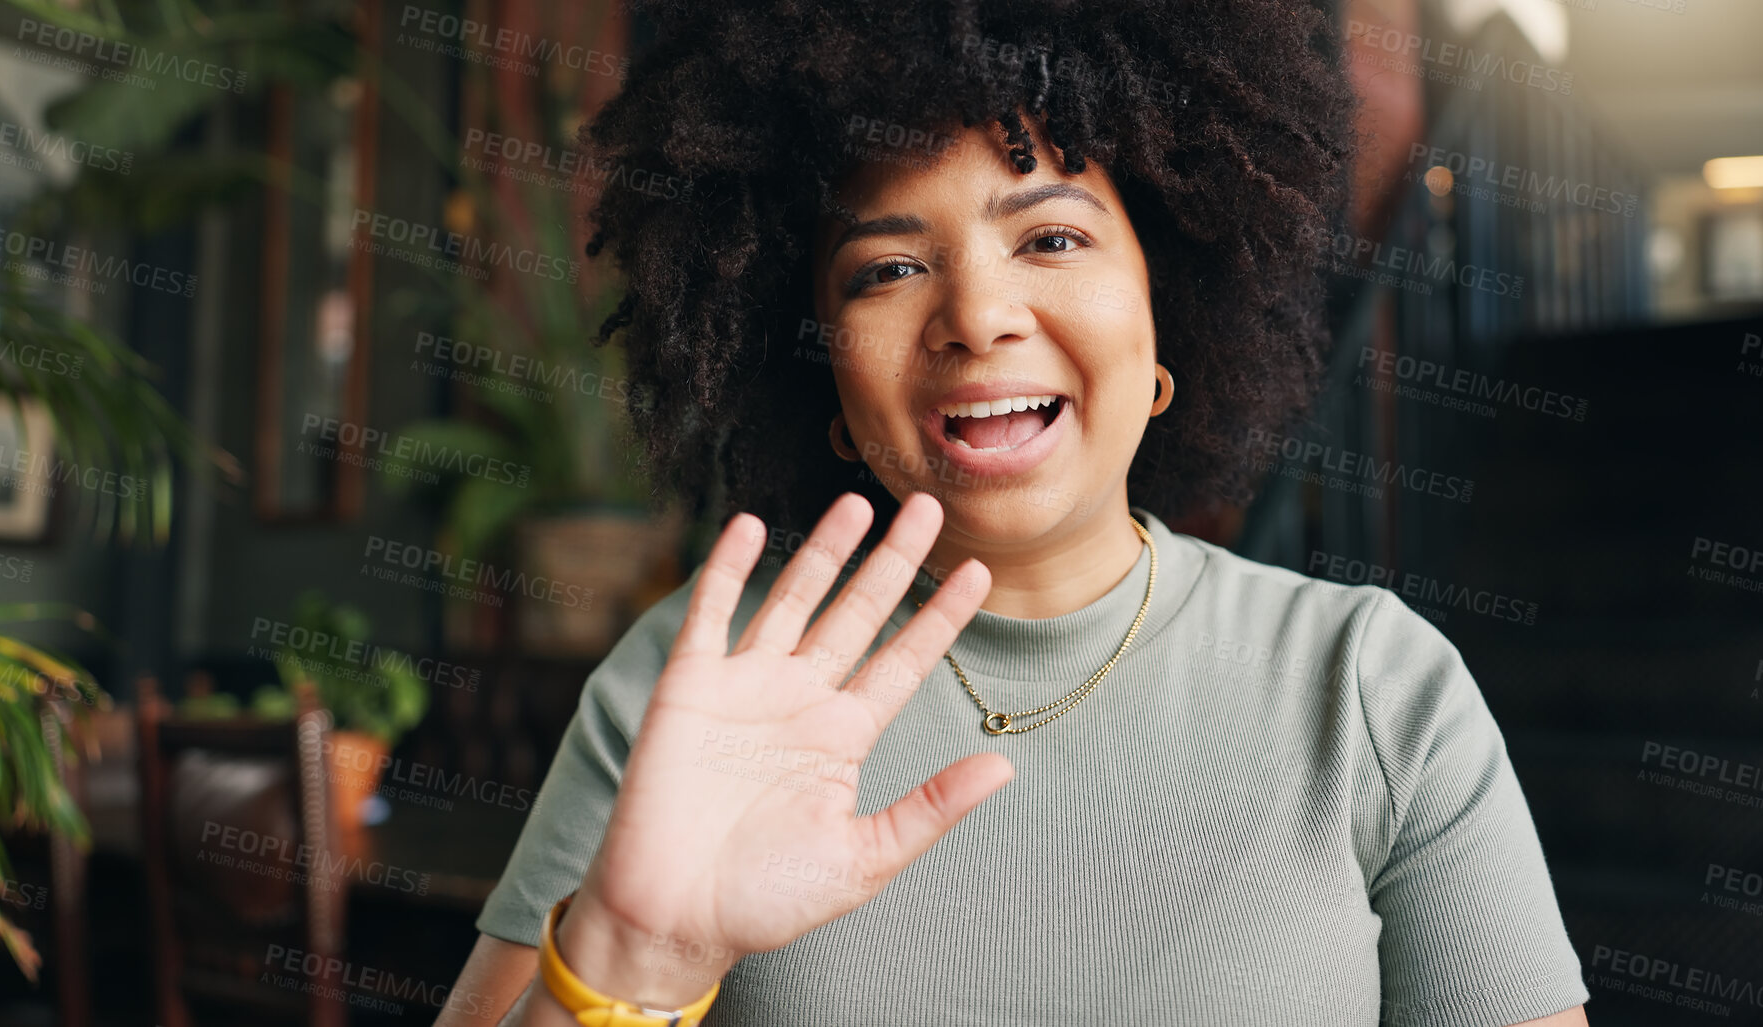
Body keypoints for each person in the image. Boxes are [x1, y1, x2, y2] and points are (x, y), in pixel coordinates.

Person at [437, 3, 1589, 1024]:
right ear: (825, 389)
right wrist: (636, 962)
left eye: (1051, 237)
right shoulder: (709, 674)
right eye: (886, 269)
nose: (978, 316)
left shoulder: (1373, 690)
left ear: (1169, 317)